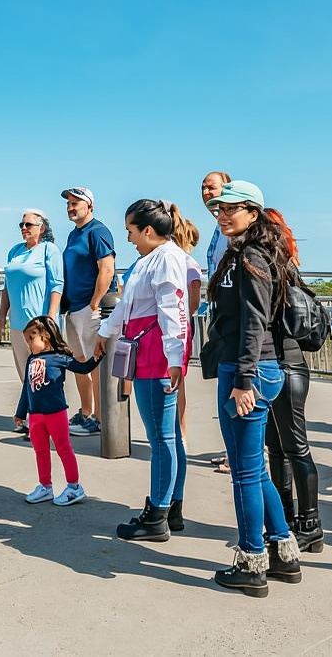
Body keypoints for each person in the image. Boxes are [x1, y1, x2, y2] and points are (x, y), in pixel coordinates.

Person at [201, 180, 301, 597]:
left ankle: (251, 561)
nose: (222, 214)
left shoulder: (253, 256)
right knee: (254, 469)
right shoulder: (242, 253)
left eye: (232, 209)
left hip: (251, 371)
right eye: (218, 209)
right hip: (249, 368)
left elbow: (254, 322)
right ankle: (283, 553)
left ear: (254, 213)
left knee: (243, 473)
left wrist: (243, 380)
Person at [95, 200, 191, 542]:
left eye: (131, 231)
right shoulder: (159, 258)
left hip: (156, 355)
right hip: (154, 351)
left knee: (161, 437)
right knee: (170, 437)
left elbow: (173, 310)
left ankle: (157, 513)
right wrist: (106, 333)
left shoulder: (164, 260)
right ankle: (171, 507)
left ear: (147, 230)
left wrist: (175, 357)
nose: (129, 238)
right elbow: (127, 306)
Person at [263, 208, 323, 553]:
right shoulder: (287, 269)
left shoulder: (276, 271)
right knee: (279, 447)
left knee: (294, 447)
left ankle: (310, 523)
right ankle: (286, 517)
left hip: (286, 366)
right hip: (286, 366)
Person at [14, 316, 98, 506]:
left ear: (45, 336)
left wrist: (97, 356)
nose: (28, 344)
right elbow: (26, 389)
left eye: (30, 339)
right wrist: (21, 413)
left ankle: (74, 487)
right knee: (40, 451)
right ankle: (45, 487)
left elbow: (84, 368)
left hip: (56, 414)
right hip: (35, 416)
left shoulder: (61, 358)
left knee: (64, 449)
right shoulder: (31, 361)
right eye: (26, 340)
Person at [0, 210, 64, 434]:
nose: (24, 228)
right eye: (21, 224)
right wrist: (1, 316)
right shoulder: (14, 251)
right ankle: (32, 418)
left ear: (41, 227)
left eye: (29, 224)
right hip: (18, 324)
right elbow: (7, 286)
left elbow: (57, 285)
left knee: (43, 374)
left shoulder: (48, 250)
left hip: (40, 324)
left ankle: (45, 419)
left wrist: (50, 318)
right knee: (25, 373)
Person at [59, 187, 116, 438]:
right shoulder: (74, 235)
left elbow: (106, 269)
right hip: (74, 307)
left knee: (95, 364)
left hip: (89, 307)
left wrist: (95, 302)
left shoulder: (98, 231)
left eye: (76, 203)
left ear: (89, 205)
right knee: (80, 361)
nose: (71, 207)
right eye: (69, 204)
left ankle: (102, 419)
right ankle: (86, 412)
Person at [200, 170, 234, 473]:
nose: (207, 192)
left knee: (237, 386)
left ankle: (241, 455)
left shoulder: (233, 229)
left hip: (234, 318)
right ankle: (231, 449)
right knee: (225, 386)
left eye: (212, 187)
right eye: (204, 188)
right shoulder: (218, 228)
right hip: (219, 313)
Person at [170, 215, 204, 447]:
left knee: (175, 380)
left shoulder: (186, 264)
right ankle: (178, 431)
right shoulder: (188, 262)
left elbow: (193, 299)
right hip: (182, 326)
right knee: (176, 380)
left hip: (178, 329)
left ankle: (180, 431)